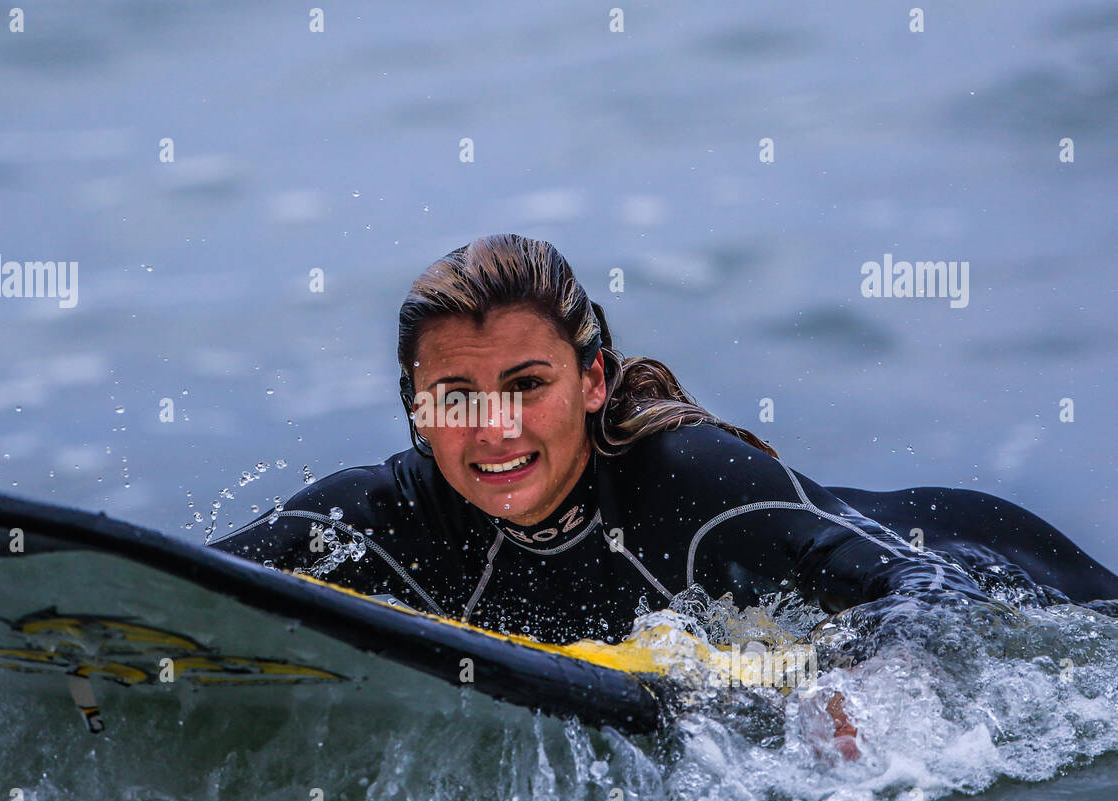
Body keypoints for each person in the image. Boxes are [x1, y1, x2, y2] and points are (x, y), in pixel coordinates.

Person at [212, 234, 1118, 653]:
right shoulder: (378, 517)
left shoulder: (684, 482)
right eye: (456, 397)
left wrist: (862, 688)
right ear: (415, 410)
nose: (494, 429)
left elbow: (917, 585)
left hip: (1012, 570)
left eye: (529, 386)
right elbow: (173, 582)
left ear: (592, 382)